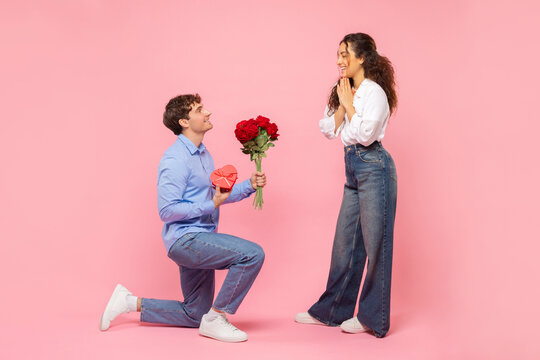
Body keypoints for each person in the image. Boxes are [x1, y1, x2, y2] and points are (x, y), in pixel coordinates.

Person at [100, 94, 266, 343]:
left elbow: (215, 197)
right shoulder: (175, 159)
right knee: (252, 254)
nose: (208, 112)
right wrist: (211, 203)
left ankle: (128, 302)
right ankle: (217, 317)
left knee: (194, 313)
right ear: (184, 122)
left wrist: (248, 186)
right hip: (186, 240)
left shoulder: (203, 154)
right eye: (199, 110)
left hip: (201, 238)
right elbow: (167, 211)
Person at [295, 33, 398, 338]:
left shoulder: (374, 92)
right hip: (353, 169)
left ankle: (372, 319)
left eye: (345, 55)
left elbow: (365, 134)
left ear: (362, 58)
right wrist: (343, 103)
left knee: (376, 245)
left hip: (374, 166)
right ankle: (331, 311)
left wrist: (351, 105)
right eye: (338, 55)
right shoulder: (346, 89)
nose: (340, 61)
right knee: (345, 244)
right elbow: (329, 128)